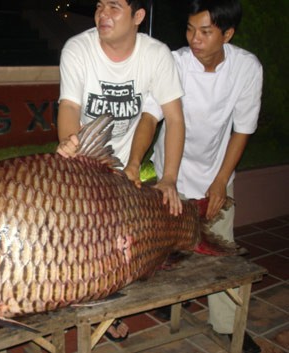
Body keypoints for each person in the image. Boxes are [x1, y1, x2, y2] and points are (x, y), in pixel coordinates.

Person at [56, 0, 186, 341]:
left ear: (138, 16)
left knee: (119, 247)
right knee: (79, 242)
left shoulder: (157, 55)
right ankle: (88, 307)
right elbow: (69, 105)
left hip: (126, 165)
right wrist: (71, 144)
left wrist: (169, 177)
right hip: (84, 160)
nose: (103, 15)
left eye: (114, 7)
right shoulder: (78, 49)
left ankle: (106, 307)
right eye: (99, 5)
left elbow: (172, 118)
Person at [141, 1, 263, 352]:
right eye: (190, 29)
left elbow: (242, 129)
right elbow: (151, 117)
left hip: (216, 170)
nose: (194, 39)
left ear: (227, 34)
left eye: (205, 32)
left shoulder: (246, 68)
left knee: (220, 252)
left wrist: (222, 179)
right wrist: (146, 167)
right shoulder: (174, 63)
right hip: (172, 174)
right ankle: (171, 299)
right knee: (169, 246)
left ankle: (225, 325)